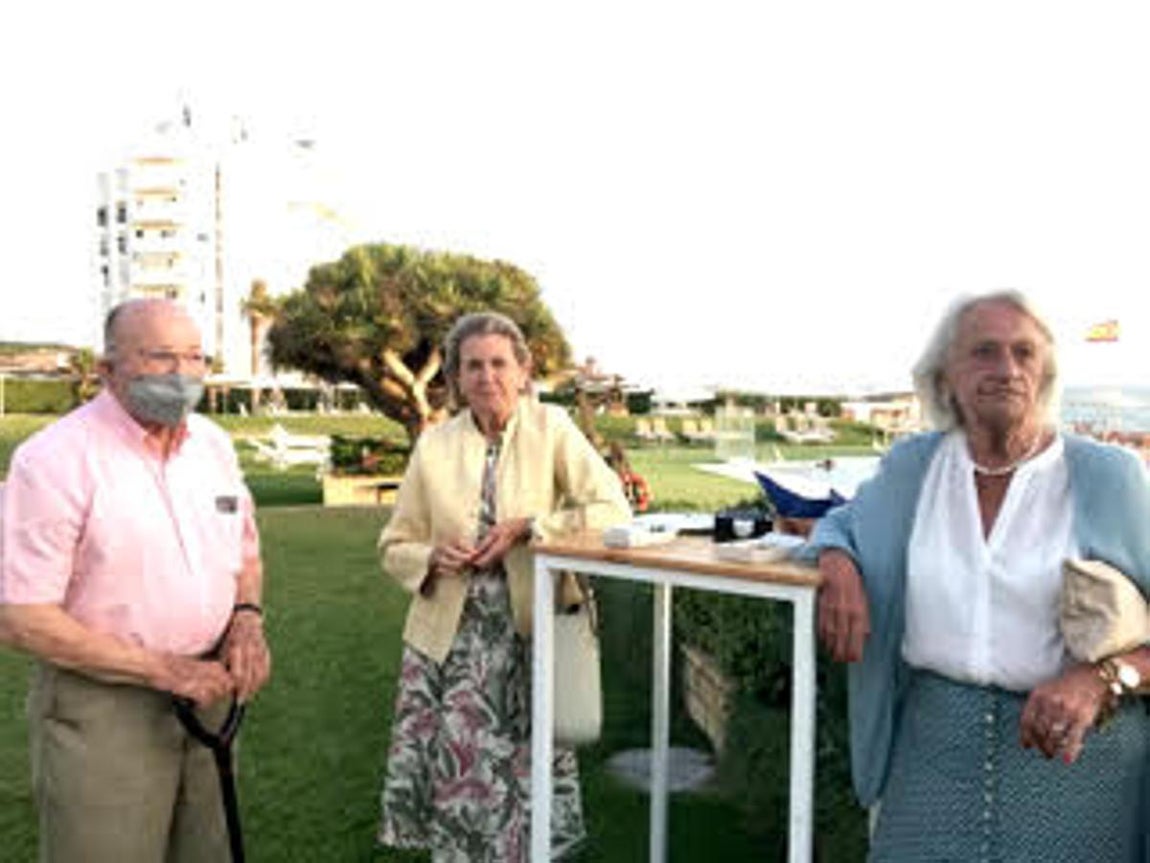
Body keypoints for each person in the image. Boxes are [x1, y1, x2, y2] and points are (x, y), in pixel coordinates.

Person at [811, 290, 1150, 862]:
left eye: (1024, 352)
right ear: (945, 376)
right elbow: (840, 522)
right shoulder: (913, 469)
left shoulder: (1108, 477)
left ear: (1044, 371)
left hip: (1079, 759)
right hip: (933, 754)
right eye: (984, 352)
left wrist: (1101, 680)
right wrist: (836, 563)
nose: (1007, 370)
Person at [0, 299, 270, 862]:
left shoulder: (213, 446)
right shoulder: (53, 461)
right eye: (160, 358)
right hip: (106, 706)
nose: (182, 375)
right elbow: (21, 616)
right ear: (108, 370)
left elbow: (244, 552)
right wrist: (163, 669)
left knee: (209, 851)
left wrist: (246, 620)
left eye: (195, 357)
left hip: (211, 693)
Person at [376, 311, 631, 862]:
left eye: (498, 363)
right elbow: (393, 545)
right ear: (455, 377)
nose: (486, 376)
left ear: (523, 370)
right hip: (449, 648)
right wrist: (430, 557)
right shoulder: (434, 446)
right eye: (472, 366)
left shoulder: (553, 428)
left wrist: (532, 527)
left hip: (530, 637)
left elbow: (612, 508)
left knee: (528, 783)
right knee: (459, 786)